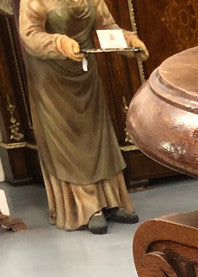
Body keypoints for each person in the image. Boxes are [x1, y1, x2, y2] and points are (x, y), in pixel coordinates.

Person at [17, 0, 148, 233]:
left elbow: (106, 27)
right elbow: (30, 35)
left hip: (85, 74)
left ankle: (110, 200)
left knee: (96, 134)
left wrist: (129, 42)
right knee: (69, 140)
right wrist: (59, 43)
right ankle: (86, 207)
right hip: (51, 79)